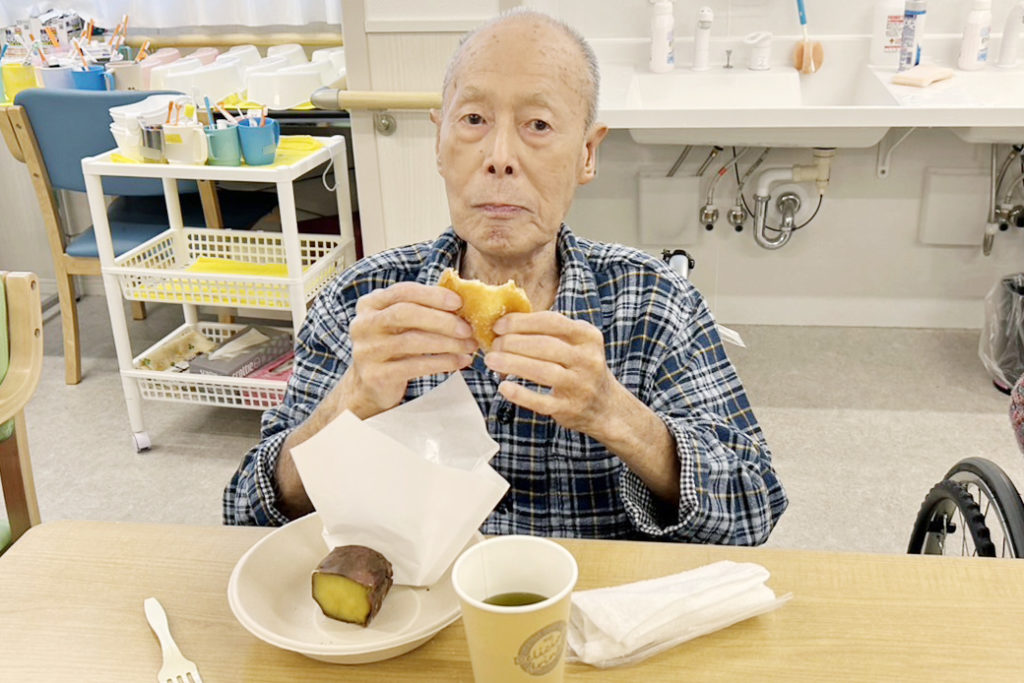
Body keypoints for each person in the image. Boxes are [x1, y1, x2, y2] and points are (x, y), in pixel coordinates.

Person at [224, 9, 788, 544]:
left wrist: (614, 413)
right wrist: (351, 400)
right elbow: (246, 513)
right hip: (412, 620)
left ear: (588, 155)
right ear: (440, 144)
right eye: (473, 120)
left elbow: (755, 507)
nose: (499, 156)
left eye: (537, 125)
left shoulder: (655, 303)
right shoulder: (361, 304)